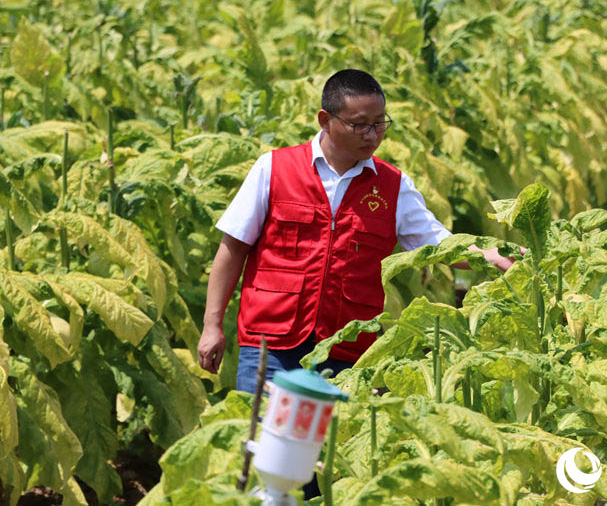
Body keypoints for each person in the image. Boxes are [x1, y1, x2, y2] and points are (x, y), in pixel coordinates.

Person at [197, 69, 516, 392]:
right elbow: (233, 249)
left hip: (347, 352)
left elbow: (439, 244)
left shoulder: (393, 186)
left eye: (380, 123)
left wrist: (494, 255)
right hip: (272, 345)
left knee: (336, 441)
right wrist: (212, 326)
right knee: (263, 438)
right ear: (326, 120)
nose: (372, 135)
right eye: (360, 124)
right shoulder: (274, 169)